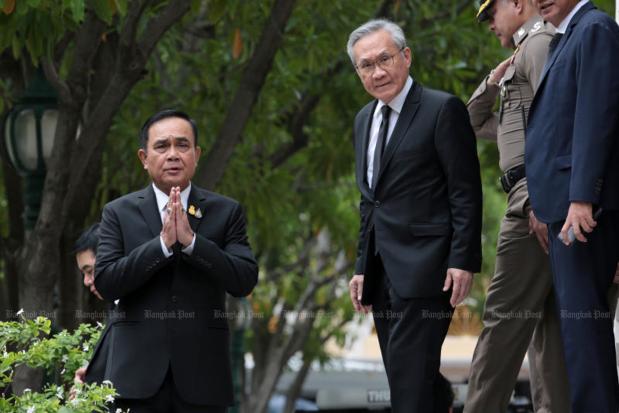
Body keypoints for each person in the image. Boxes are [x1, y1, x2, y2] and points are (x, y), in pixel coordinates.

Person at [346, 19, 483, 412]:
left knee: (409, 382)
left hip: (429, 267)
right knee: (409, 376)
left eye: (384, 59)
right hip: (380, 270)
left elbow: (464, 190)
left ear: (406, 56)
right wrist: (361, 266)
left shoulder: (442, 109)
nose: (377, 72)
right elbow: (369, 202)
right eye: (366, 65)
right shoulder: (363, 119)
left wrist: (463, 259)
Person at [93, 109, 259, 412]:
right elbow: (105, 282)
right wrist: (162, 245)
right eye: (162, 146)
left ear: (196, 155)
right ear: (144, 158)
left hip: (203, 380)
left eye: (182, 145)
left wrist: (194, 243)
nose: (173, 154)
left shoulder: (226, 211)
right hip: (134, 380)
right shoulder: (118, 212)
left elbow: (244, 279)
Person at [464, 1, 570, 412]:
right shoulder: (524, 53)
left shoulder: (539, 43)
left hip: (534, 198)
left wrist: (540, 199)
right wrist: (494, 79)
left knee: (503, 326)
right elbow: (472, 122)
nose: (489, 23)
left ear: (520, 4)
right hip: (536, 197)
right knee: (549, 334)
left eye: (493, 12)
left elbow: (561, 120)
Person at [525, 0, 619, 411]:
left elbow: (597, 117)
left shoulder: (595, 28)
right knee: (579, 337)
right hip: (562, 207)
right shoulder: (566, 36)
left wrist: (582, 197)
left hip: (580, 211)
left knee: (586, 338)